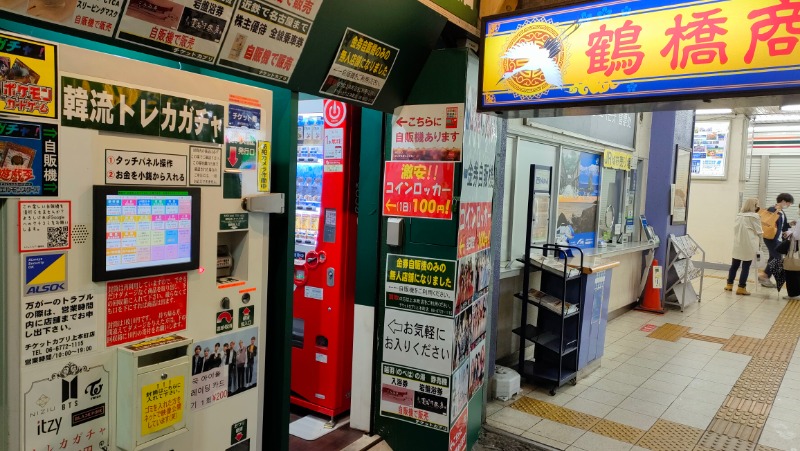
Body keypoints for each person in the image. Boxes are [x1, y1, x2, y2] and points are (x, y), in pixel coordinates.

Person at [726, 198, 763, 295]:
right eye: (757, 205)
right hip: (749, 244)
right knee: (746, 267)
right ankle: (741, 288)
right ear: (754, 206)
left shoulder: (739, 215)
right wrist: (761, 242)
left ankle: (729, 285)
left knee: (734, 265)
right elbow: (759, 231)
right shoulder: (754, 216)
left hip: (738, 243)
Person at [760, 193, 795, 287]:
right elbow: (768, 223)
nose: (789, 205)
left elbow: (782, 226)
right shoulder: (772, 209)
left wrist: (790, 224)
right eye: (788, 203)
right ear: (783, 201)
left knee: (773, 257)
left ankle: (765, 277)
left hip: (777, 238)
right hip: (771, 238)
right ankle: (764, 276)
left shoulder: (781, 212)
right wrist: (776, 211)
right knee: (778, 257)